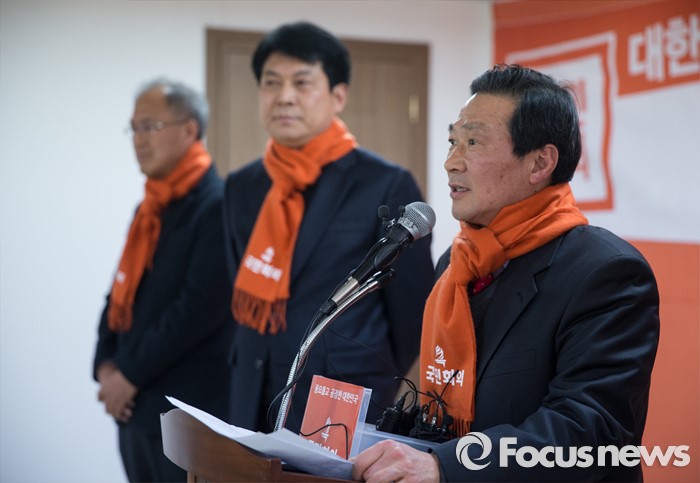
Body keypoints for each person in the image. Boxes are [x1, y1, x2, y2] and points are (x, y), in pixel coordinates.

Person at [352, 64, 660, 482]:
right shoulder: (457, 263)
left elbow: (590, 431)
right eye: (452, 141)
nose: (451, 162)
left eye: (473, 142)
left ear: (540, 163)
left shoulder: (606, 272)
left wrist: (447, 466)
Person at [222, 21, 434, 435]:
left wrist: (368, 373)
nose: (284, 97)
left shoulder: (384, 183)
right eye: (271, 83)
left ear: (338, 96)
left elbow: (413, 314)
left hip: (338, 395)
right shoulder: (242, 186)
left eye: (302, 83)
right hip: (250, 392)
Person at [93, 78, 234, 482]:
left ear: (189, 130)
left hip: (186, 412)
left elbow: (198, 307)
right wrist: (105, 365)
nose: (139, 139)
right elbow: (121, 290)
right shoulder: (149, 209)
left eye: (150, 126)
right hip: (134, 410)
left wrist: (128, 375)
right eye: (134, 128)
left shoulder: (218, 204)